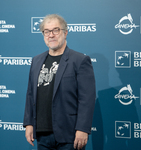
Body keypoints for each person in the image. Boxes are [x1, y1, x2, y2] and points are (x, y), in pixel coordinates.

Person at [23, 14, 96, 150]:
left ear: (65, 32)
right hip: (42, 135)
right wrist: (29, 124)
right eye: (47, 31)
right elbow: (30, 94)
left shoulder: (80, 60)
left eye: (56, 30)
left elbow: (87, 99)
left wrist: (82, 129)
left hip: (70, 135)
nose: (51, 35)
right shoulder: (36, 61)